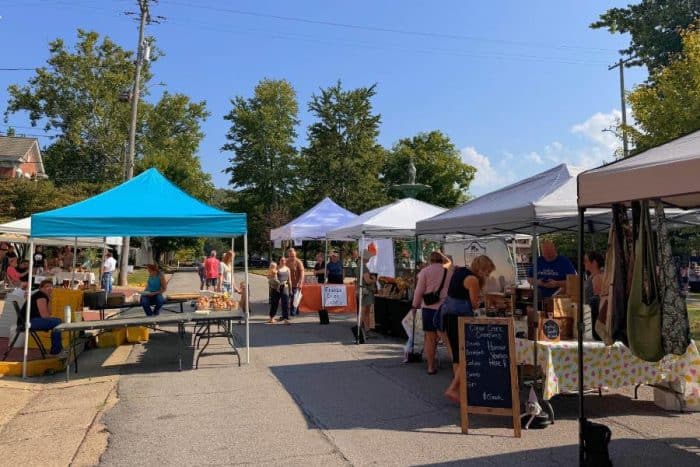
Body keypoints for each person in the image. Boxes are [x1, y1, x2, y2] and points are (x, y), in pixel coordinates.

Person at [442, 255, 496, 404]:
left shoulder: (459, 271)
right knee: (467, 354)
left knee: (457, 356)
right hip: (461, 318)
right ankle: (453, 388)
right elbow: (474, 304)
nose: (488, 275)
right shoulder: (473, 280)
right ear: (482, 269)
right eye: (487, 272)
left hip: (449, 316)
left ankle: (461, 391)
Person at [410, 251, 452, 375]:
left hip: (429, 308)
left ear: (430, 260)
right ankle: (456, 367)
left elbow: (419, 291)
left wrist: (414, 306)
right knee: (447, 338)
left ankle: (430, 366)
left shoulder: (425, 272)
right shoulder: (448, 271)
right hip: (445, 308)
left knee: (430, 338)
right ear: (442, 259)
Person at [23, 279, 64, 356]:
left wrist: (50, 299)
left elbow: (49, 313)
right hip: (30, 322)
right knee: (58, 322)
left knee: (57, 321)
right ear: (40, 288)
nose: (50, 288)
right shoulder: (41, 296)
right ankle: (56, 351)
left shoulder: (43, 296)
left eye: (51, 286)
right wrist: (51, 321)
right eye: (47, 286)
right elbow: (45, 316)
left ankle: (57, 350)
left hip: (30, 320)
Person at [583, 251, 605, 341]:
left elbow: (598, 300)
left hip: (593, 317)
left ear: (594, 263)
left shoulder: (598, 277)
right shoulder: (592, 276)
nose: (584, 263)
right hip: (589, 315)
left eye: (586, 260)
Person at [358, 250, 378, 335]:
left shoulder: (359, 266)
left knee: (364, 310)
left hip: (362, 290)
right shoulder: (364, 267)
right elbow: (367, 280)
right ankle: (362, 329)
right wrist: (374, 280)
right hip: (366, 291)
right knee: (365, 311)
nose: (369, 259)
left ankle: (365, 329)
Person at [269, 257, 291, 324]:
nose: (283, 261)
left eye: (284, 260)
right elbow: (269, 276)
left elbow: (289, 280)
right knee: (274, 303)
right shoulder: (276, 268)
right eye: (282, 260)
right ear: (279, 261)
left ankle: (286, 319)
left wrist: (291, 289)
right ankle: (271, 317)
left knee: (285, 303)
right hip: (276, 288)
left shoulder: (288, 269)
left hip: (285, 287)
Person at [287, 248, 304, 316]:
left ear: (295, 254)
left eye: (293, 255)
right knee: (289, 297)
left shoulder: (298, 262)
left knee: (294, 297)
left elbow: (302, 273)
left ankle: (292, 312)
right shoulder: (286, 261)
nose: (292, 257)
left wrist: (300, 282)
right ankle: (296, 310)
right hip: (287, 283)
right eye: (291, 255)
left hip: (296, 283)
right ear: (288, 255)